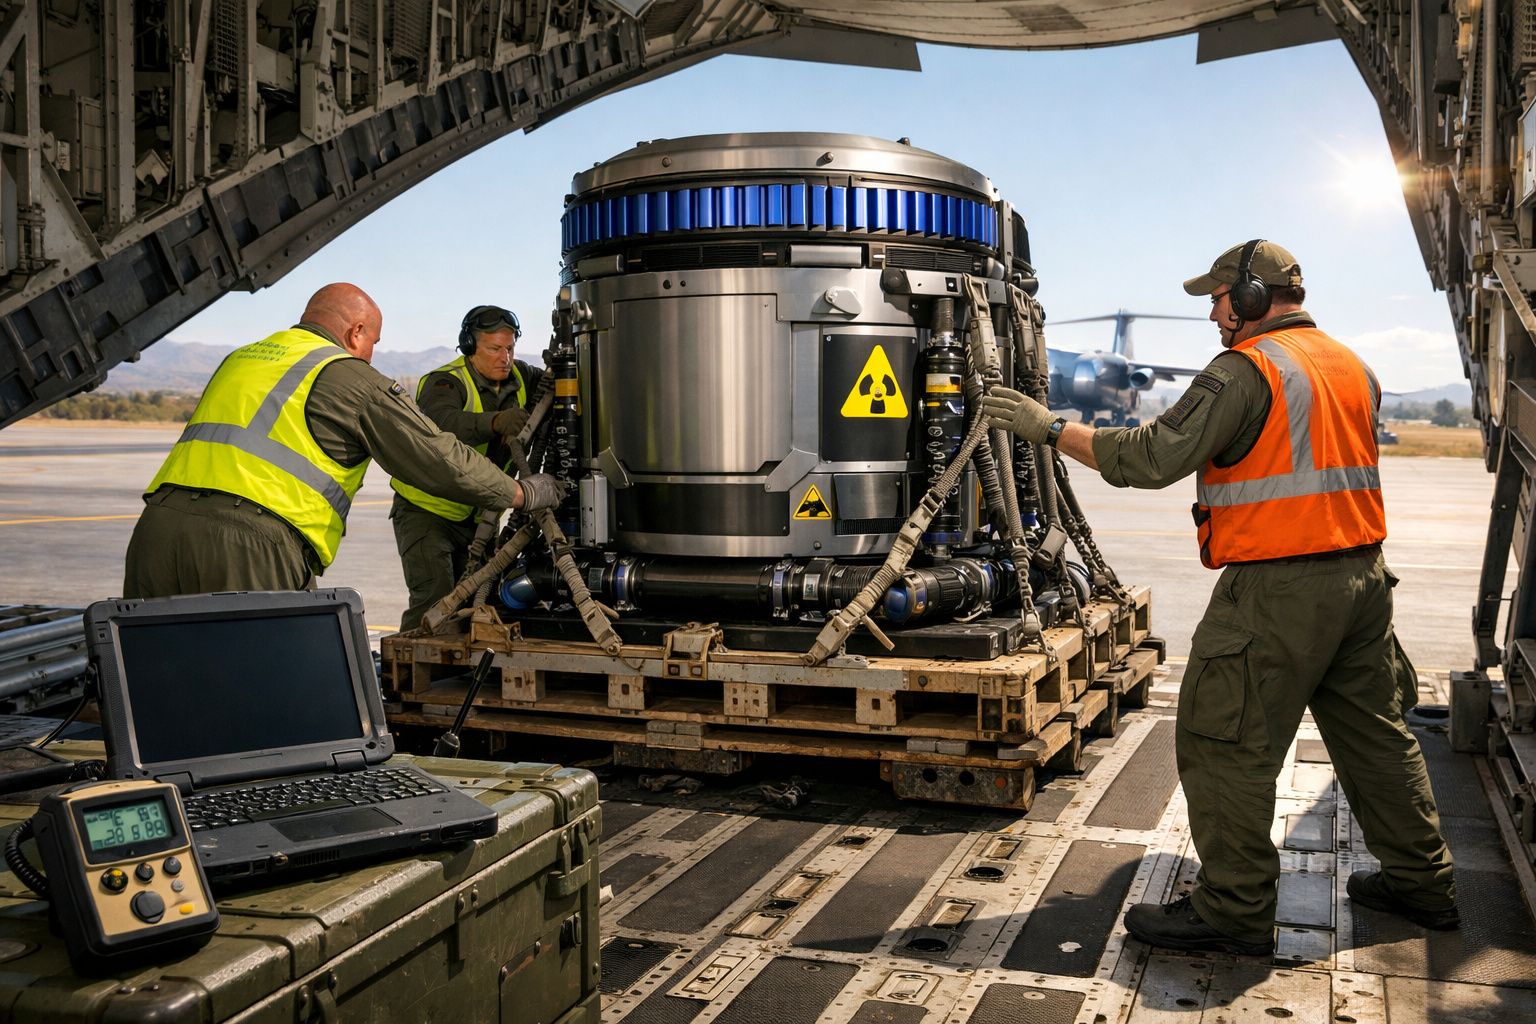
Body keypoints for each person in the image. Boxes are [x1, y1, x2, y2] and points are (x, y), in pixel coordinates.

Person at [983, 240, 1458, 956]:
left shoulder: (1247, 368)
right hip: (1362, 581)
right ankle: (1424, 885)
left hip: (1278, 589)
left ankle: (1234, 910)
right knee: (1376, 739)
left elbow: (1149, 458)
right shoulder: (1349, 364)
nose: (1213, 312)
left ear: (1254, 297)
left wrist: (1046, 426)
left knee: (1223, 741)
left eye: (1218, 297)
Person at [123, 284, 565, 599]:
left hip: (158, 528)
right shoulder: (347, 375)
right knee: (267, 695)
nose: (371, 352)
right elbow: (435, 456)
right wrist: (521, 493)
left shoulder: (243, 357)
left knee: (157, 682)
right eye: (372, 342)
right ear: (355, 333)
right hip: (251, 543)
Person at [390, 305, 544, 630]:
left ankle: (458, 673)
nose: (504, 357)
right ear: (471, 347)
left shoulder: (521, 376)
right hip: (427, 513)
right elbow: (440, 422)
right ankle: (410, 673)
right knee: (434, 600)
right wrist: (496, 421)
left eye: (510, 348)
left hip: (479, 517)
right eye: (494, 349)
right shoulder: (445, 382)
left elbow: (556, 386)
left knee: (479, 601)